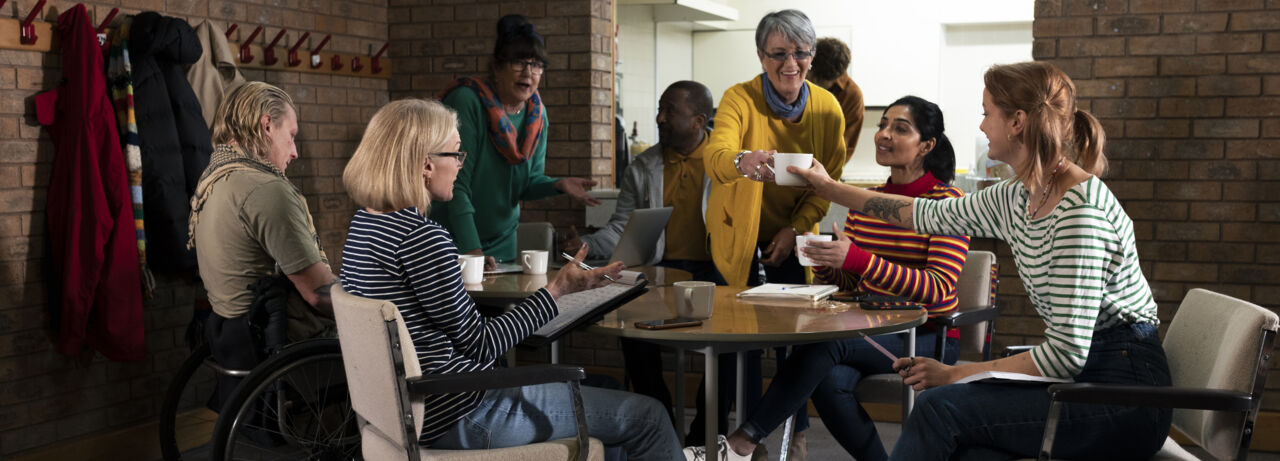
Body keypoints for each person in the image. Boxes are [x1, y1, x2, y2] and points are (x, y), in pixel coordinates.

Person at [789, 61, 1171, 460]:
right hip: (1086, 377)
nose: (982, 125)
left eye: (988, 112)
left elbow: (1065, 355)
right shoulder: (1017, 196)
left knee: (940, 409)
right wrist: (829, 188)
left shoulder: (1079, 213)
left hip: (1123, 394)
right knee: (969, 449)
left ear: (1017, 122)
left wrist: (953, 374)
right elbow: (919, 214)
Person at [339, 98, 683, 460]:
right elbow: (482, 346)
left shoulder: (365, 225)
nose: (460, 165)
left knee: (607, 392)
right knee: (650, 416)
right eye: (456, 154)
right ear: (427, 164)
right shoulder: (422, 237)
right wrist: (559, 289)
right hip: (463, 412)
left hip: (408, 411)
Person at [711, 96, 970, 461]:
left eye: (900, 128)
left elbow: (938, 289)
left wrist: (859, 259)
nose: (884, 134)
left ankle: (743, 441)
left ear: (926, 145)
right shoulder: (864, 203)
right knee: (828, 381)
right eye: (883, 125)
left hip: (926, 336)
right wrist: (826, 263)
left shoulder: (947, 204)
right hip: (871, 331)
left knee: (826, 344)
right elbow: (852, 285)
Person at [690, 9, 846, 460]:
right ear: (761, 56)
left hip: (794, 240)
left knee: (793, 352)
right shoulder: (739, 99)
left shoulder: (827, 108)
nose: (789, 63)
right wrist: (743, 161)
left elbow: (827, 182)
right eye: (779, 53)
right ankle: (705, 444)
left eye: (800, 53)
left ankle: (786, 447)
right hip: (736, 239)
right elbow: (716, 155)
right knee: (730, 349)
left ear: (813, 57)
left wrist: (792, 229)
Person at [564, 80, 725, 425]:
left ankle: (708, 434)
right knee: (633, 330)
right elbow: (623, 226)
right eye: (660, 108)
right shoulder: (643, 167)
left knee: (728, 348)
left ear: (699, 120)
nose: (660, 117)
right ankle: (659, 421)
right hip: (660, 270)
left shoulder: (725, 163)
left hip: (716, 271)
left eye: (671, 111)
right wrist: (586, 247)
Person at [188, 81, 337, 406]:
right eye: (292, 135)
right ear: (267, 125)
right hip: (281, 345)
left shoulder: (214, 178)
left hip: (232, 335)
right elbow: (319, 296)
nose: (295, 151)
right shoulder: (265, 189)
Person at [432, 14, 599, 269]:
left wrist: (558, 185)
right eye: (519, 63)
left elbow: (526, 185)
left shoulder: (537, 115)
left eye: (537, 65)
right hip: (454, 242)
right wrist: (473, 252)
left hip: (503, 246)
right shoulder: (467, 101)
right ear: (497, 67)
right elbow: (457, 188)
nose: (529, 73)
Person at [807, 37, 865, 161]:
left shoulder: (852, 95)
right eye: (812, 76)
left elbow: (846, 143)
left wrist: (828, 174)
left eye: (820, 81)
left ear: (836, 76)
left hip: (827, 167)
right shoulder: (797, 78)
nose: (813, 83)